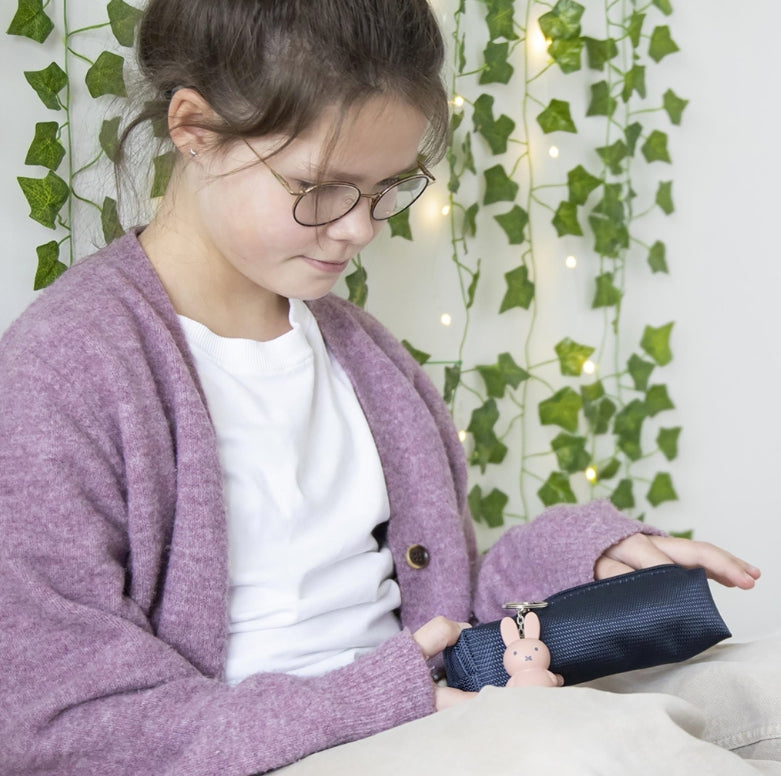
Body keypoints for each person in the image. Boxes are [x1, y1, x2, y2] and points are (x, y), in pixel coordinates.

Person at [0, 1, 775, 774]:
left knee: (762, 678)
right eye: (322, 188)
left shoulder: (357, 350)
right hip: (279, 747)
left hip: (431, 706)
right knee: (583, 748)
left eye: (384, 189)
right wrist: (376, 700)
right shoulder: (64, 367)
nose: (359, 229)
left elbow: (443, 603)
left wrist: (581, 557)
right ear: (193, 131)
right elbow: (60, 722)